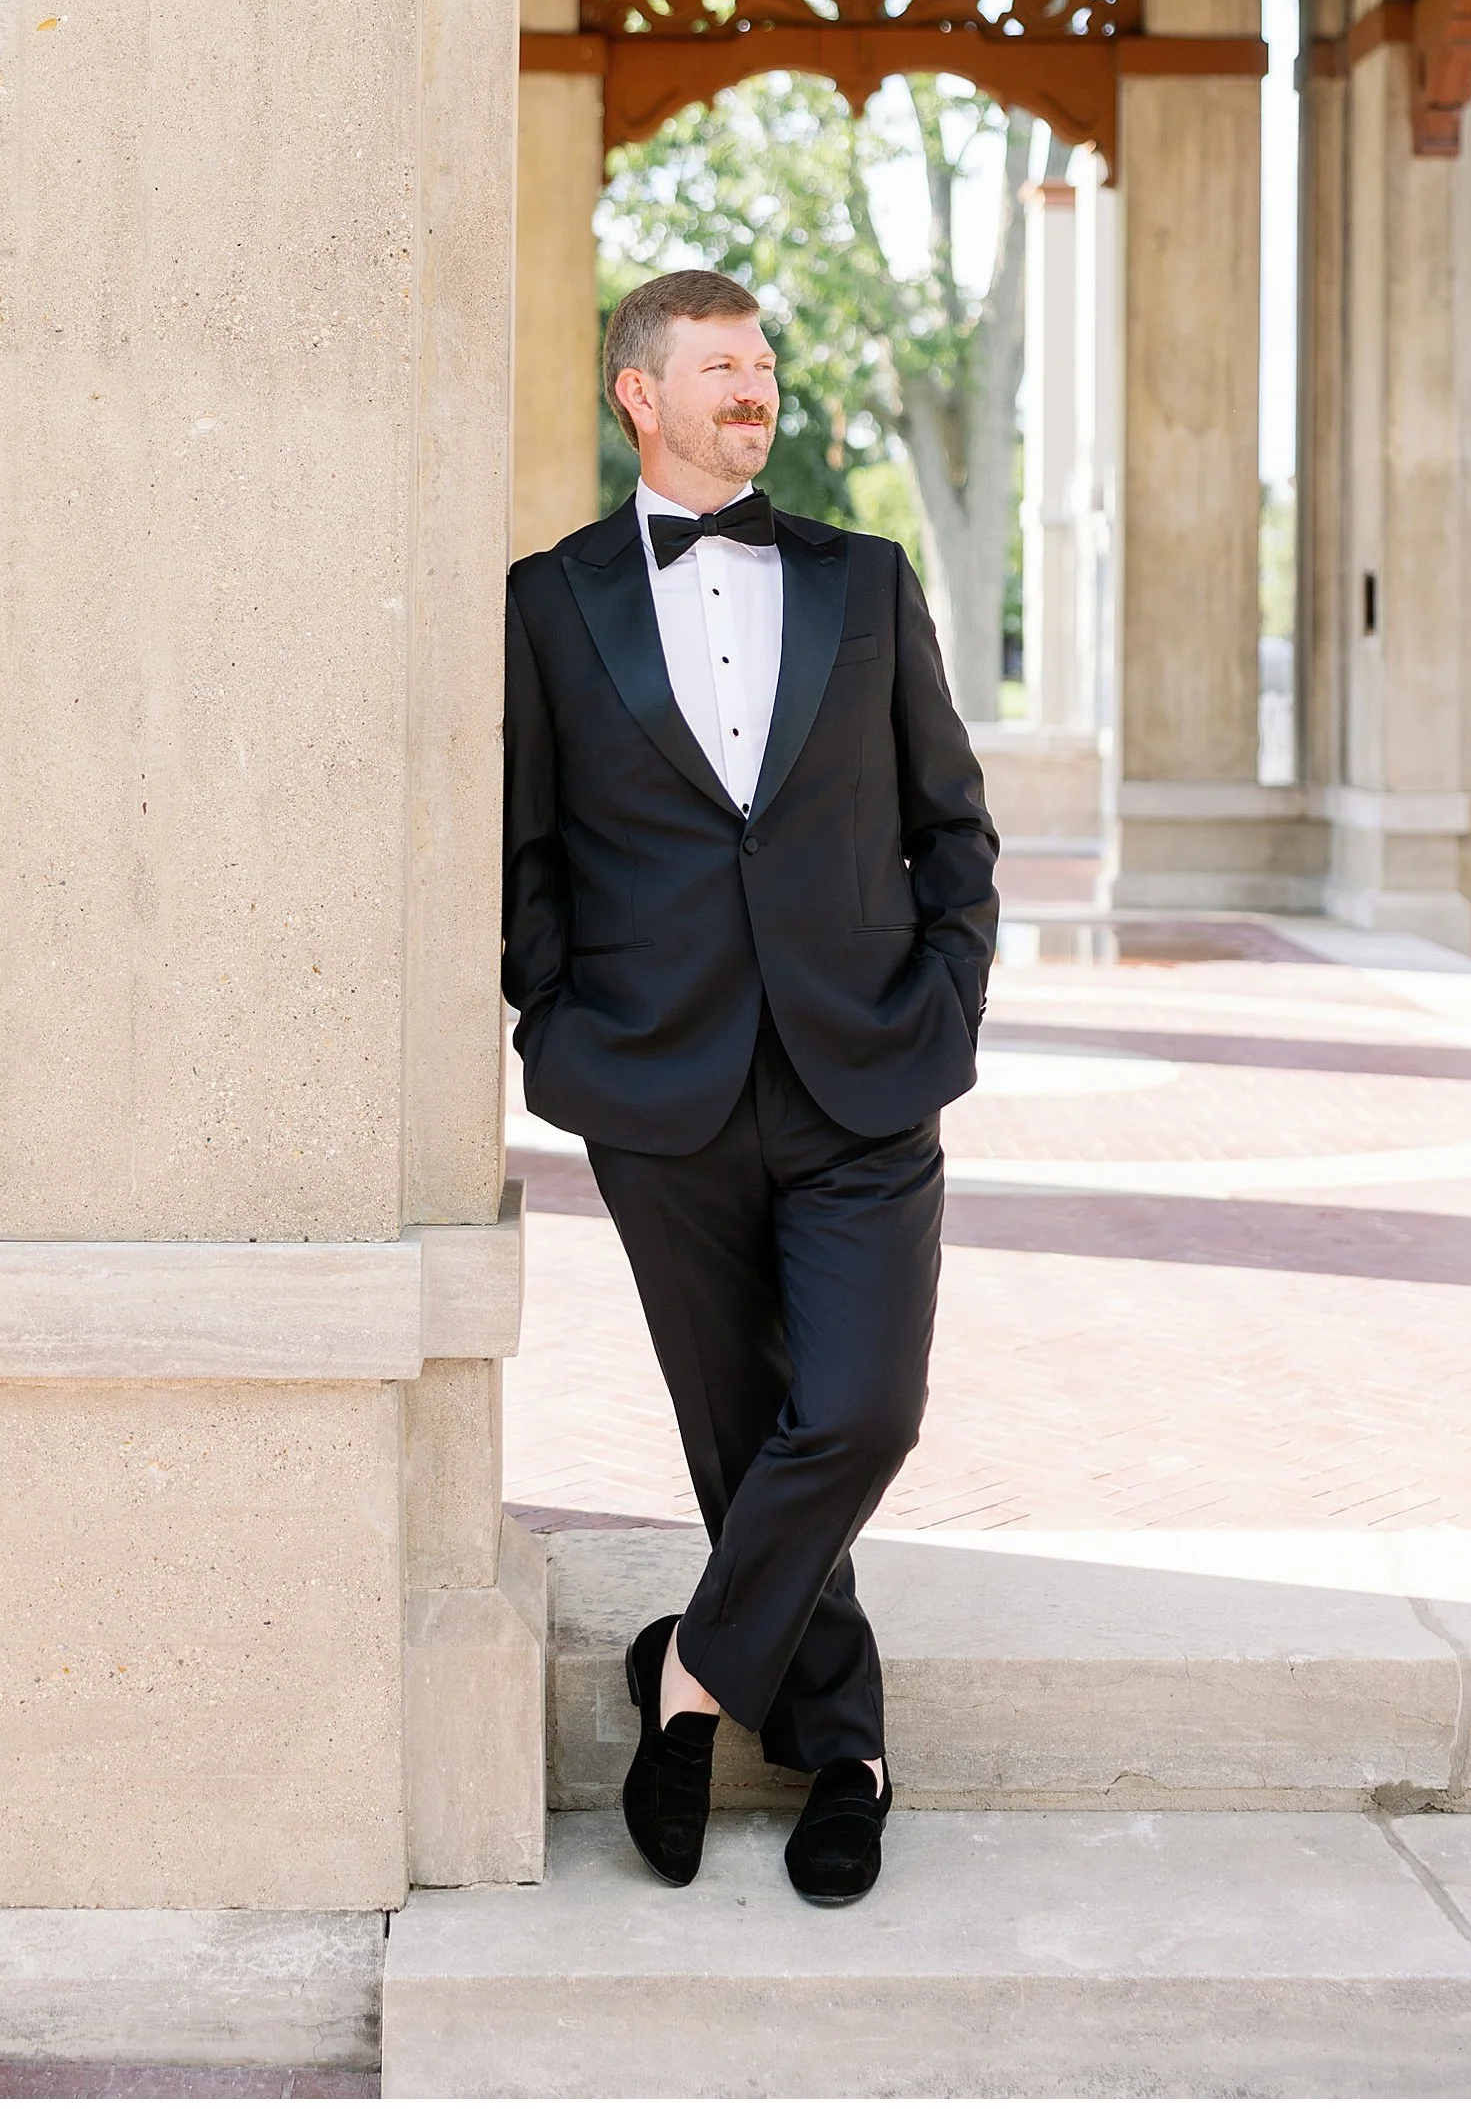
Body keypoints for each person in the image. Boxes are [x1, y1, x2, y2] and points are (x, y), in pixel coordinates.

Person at [503, 268, 998, 1905]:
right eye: (720, 364)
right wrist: (558, 1028)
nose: (755, 385)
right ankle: (844, 1753)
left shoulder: (867, 581)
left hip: (865, 1073)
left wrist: (945, 1000)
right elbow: (529, 861)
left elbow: (955, 826)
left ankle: (694, 1679)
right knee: (743, 1440)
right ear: (637, 391)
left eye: (765, 360)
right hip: (659, 1088)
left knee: (862, 1407)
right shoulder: (550, 600)